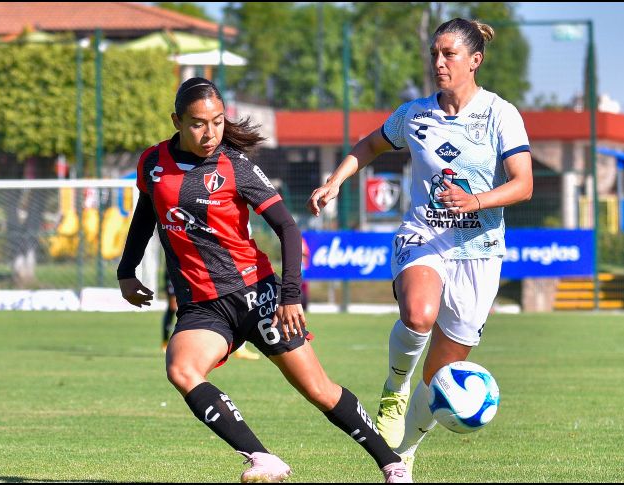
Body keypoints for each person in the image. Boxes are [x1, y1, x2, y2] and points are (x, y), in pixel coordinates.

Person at [117, 77, 411, 483]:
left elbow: (288, 229)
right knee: (182, 369)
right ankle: (262, 458)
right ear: (178, 121)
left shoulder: (235, 166)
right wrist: (126, 270)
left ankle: (392, 463)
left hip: (257, 296)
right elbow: (146, 214)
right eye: (199, 123)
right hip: (203, 305)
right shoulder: (152, 162)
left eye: (218, 122)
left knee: (319, 391)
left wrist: (290, 297)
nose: (210, 133)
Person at [307, 18, 533, 474]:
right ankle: (394, 388)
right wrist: (335, 181)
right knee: (418, 314)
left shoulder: (500, 114)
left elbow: (524, 183)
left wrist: (476, 200)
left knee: (439, 381)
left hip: (480, 250)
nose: (438, 63)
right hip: (424, 235)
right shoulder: (414, 114)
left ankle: (403, 454)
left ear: (475, 60)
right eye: (434, 53)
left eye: (449, 54)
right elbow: (368, 145)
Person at [163, 263, 260, 359]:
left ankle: (240, 348)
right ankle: (166, 342)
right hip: (175, 271)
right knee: (173, 307)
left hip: (196, 273)